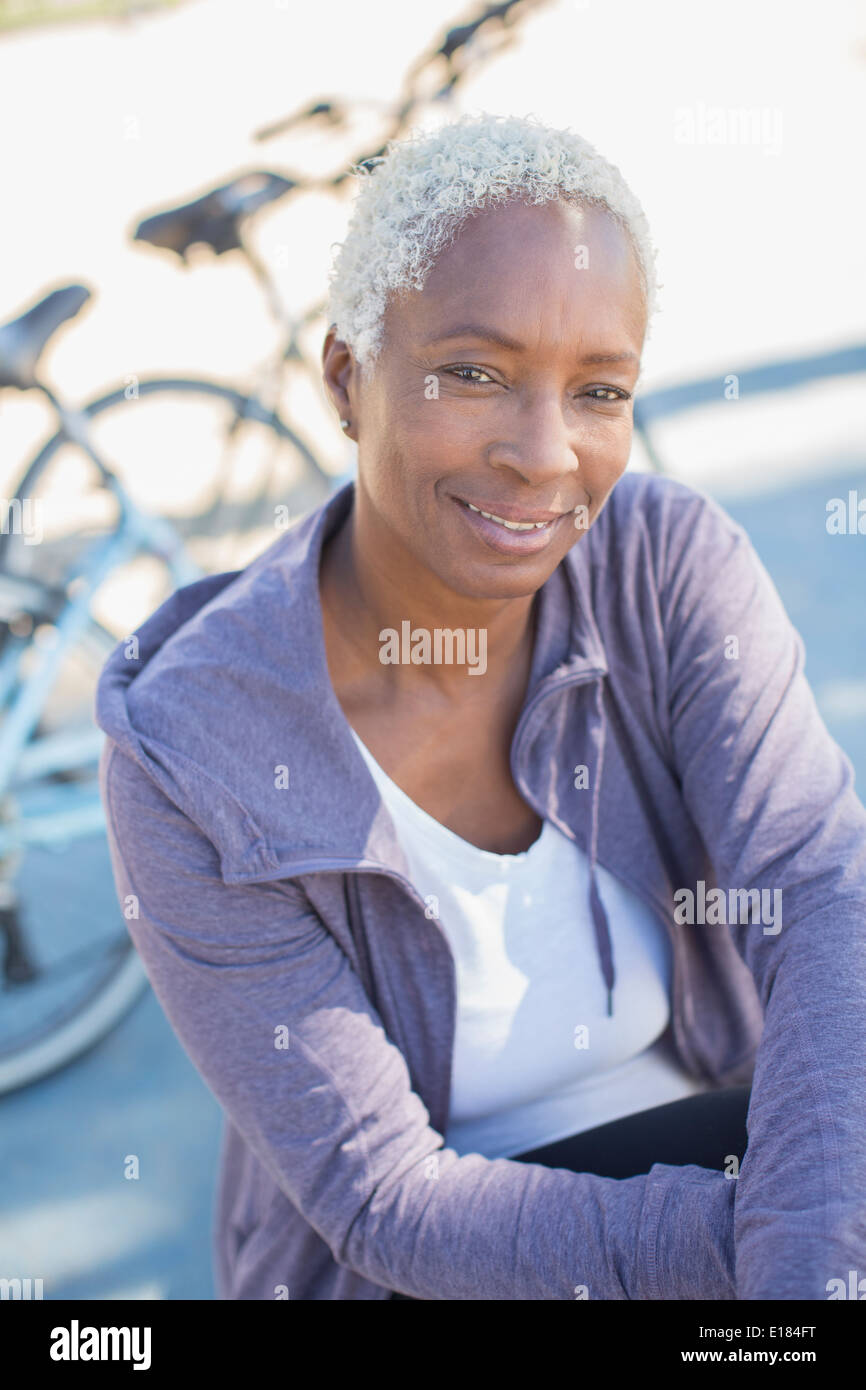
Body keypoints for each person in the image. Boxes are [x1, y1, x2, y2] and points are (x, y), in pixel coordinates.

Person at [95, 111, 866, 1301]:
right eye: (474, 373)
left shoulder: (663, 565)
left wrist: (809, 1232)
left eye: (597, 390)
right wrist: (778, 1255)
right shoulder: (189, 746)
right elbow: (387, 1200)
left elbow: (819, 892)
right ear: (348, 379)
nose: (543, 454)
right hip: (439, 1265)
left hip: (725, 1163)